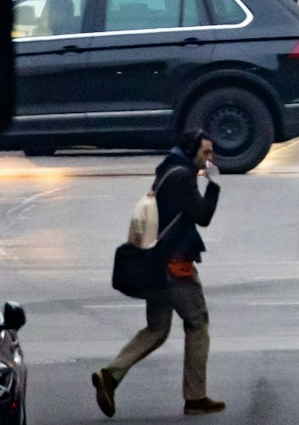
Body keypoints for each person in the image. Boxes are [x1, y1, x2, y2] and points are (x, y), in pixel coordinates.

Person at [94, 131, 225, 417]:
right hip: (176, 264)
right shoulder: (182, 177)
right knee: (197, 323)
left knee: (157, 328)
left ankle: (110, 375)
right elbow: (202, 216)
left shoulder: (168, 170)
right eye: (205, 152)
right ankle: (195, 398)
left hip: (156, 264)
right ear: (192, 151)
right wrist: (213, 185)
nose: (210, 158)